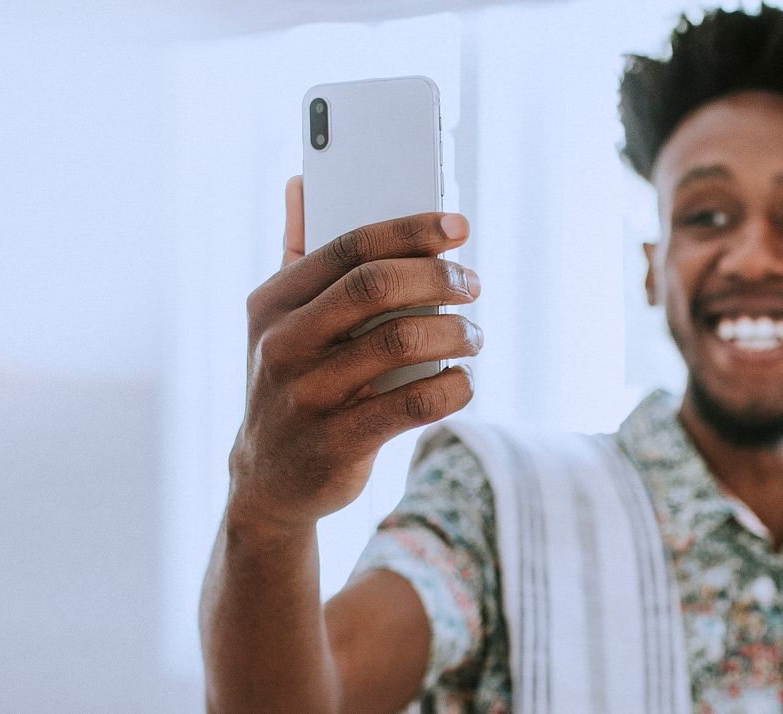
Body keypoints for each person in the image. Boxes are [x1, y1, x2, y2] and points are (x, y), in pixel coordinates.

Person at [200, 5, 783, 713]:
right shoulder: (501, 504)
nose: (752, 256)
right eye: (707, 215)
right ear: (653, 270)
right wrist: (265, 519)